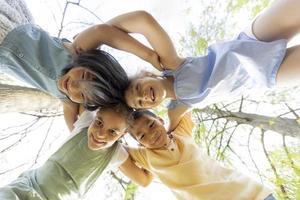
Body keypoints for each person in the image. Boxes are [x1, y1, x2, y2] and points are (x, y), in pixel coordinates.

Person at [82, 1, 300, 131]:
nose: (144, 96)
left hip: (252, 40)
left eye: (138, 88)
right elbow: (169, 132)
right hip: (265, 75)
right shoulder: (177, 108)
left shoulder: (171, 65)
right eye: (140, 103)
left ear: (148, 75)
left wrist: (103, 32)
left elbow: (143, 20)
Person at [0, 0, 137, 131]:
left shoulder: (66, 98)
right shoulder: (74, 53)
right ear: (86, 62)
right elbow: (103, 32)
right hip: (9, 26)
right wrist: (150, 55)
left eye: (83, 95)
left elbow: (74, 130)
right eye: (83, 75)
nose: (73, 86)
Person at [121, 109, 275, 200]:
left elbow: (182, 98)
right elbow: (111, 146)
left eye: (152, 124)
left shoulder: (181, 133)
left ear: (160, 120)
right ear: (140, 144)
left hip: (251, 194)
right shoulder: (145, 156)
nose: (151, 133)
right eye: (142, 136)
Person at [0, 104, 145, 200]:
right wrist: (74, 132)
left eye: (112, 132)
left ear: (122, 135)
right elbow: (70, 102)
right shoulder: (86, 122)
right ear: (96, 115)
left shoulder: (116, 154)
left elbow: (144, 180)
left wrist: (154, 146)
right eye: (99, 122)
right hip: (27, 185)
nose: (100, 134)